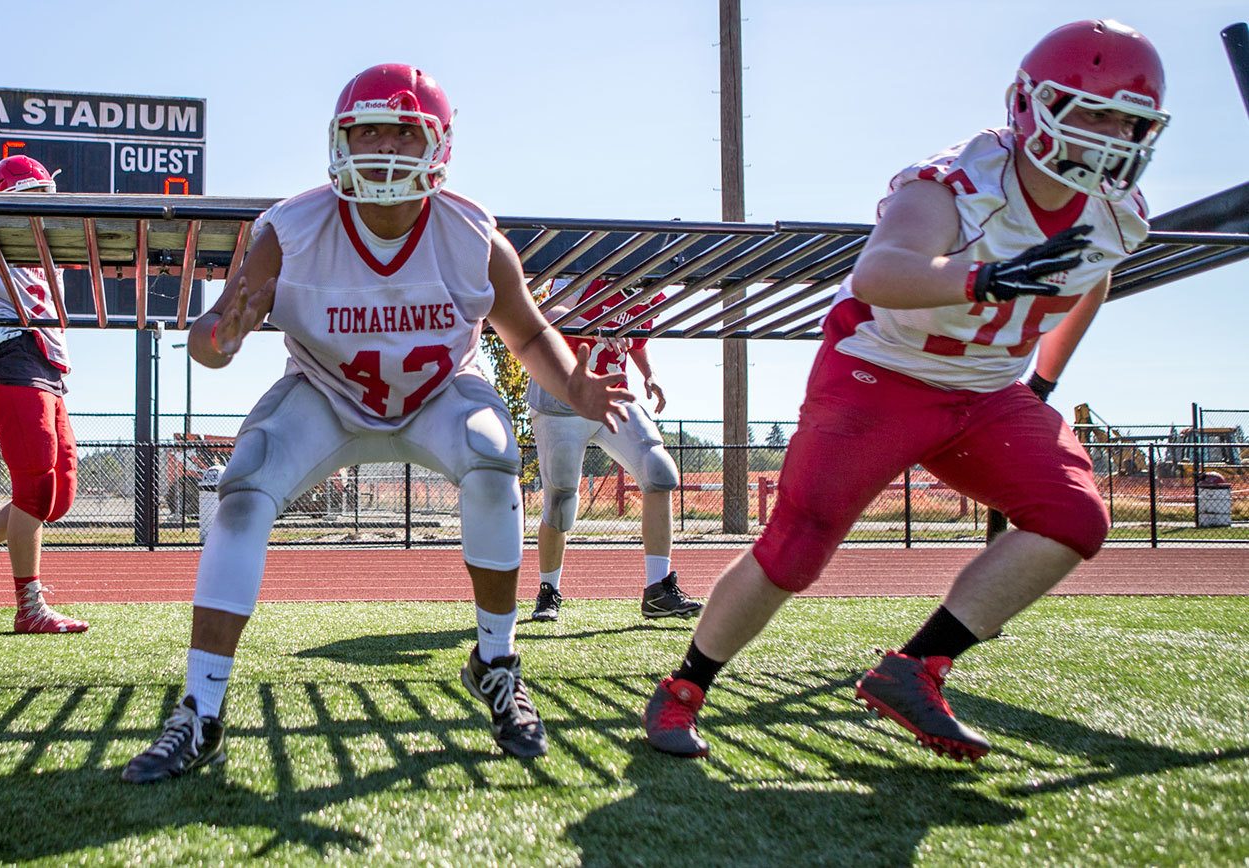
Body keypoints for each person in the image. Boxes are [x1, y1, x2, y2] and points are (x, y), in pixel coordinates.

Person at [643, 19, 1168, 761]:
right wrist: (986, 277)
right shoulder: (956, 181)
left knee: (1073, 514)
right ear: (1032, 105)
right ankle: (684, 689)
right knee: (797, 547)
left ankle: (916, 669)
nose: (1112, 134)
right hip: (880, 375)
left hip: (984, 392)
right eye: (1093, 111)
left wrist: (1043, 379)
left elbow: (1093, 278)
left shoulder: (1118, 213)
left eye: (1130, 119)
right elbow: (879, 272)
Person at [121, 63, 633, 783]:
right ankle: (201, 709)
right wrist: (217, 340)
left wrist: (572, 382)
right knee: (244, 485)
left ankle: (495, 660)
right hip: (325, 394)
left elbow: (524, 334)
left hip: (438, 392)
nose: (382, 146)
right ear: (340, 141)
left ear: (437, 145)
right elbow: (214, 336)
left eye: (401, 129)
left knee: (493, 458)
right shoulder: (290, 228)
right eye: (366, 131)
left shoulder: (472, 235)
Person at [0, 156, 87, 634]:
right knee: (35, 487)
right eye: (34, 196)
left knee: (59, 495)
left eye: (47, 195)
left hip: (47, 362)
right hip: (11, 356)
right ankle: (29, 606)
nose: (44, 206)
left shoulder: (45, 236)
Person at [527, 276, 700, 622]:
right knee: (561, 500)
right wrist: (591, 326)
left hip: (612, 397)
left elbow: (636, 341)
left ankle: (657, 589)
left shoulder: (651, 290)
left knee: (659, 470)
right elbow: (549, 311)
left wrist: (648, 374)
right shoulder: (592, 272)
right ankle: (549, 590)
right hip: (564, 395)